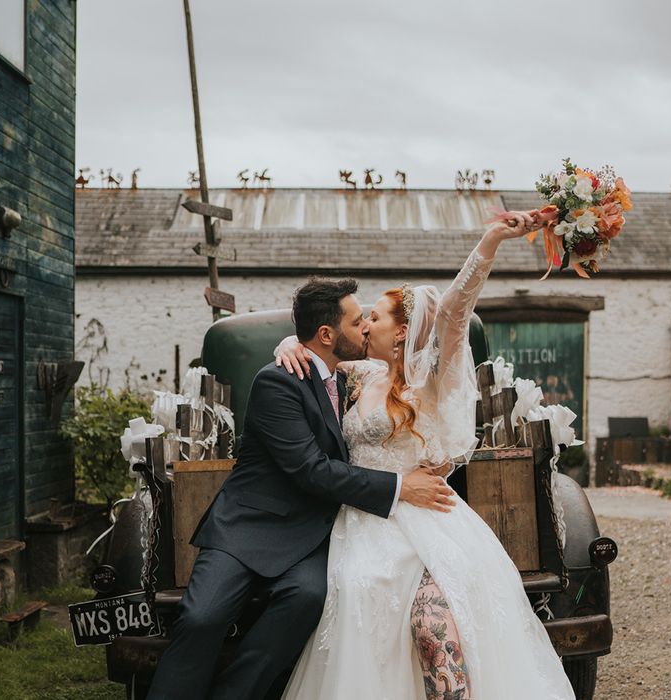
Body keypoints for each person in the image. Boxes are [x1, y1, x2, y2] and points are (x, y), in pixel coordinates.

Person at [276, 210, 576, 699]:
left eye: (372, 316)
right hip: (365, 522)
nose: (363, 325)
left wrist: (492, 239)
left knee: (433, 627)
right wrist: (291, 342)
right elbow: (316, 341)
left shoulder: (427, 381)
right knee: (361, 604)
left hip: (428, 522)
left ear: (401, 332)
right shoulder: (358, 376)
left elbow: (457, 308)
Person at [147, 279, 454, 700]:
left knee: (309, 597)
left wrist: (291, 339)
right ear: (327, 335)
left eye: (368, 318)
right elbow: (312, 470)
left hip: (311, 536)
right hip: (249, 528)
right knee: (202, 616)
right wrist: (401, 486)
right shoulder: (279, 382)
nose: (365, 327)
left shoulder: (354, 376)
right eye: (357, 320)